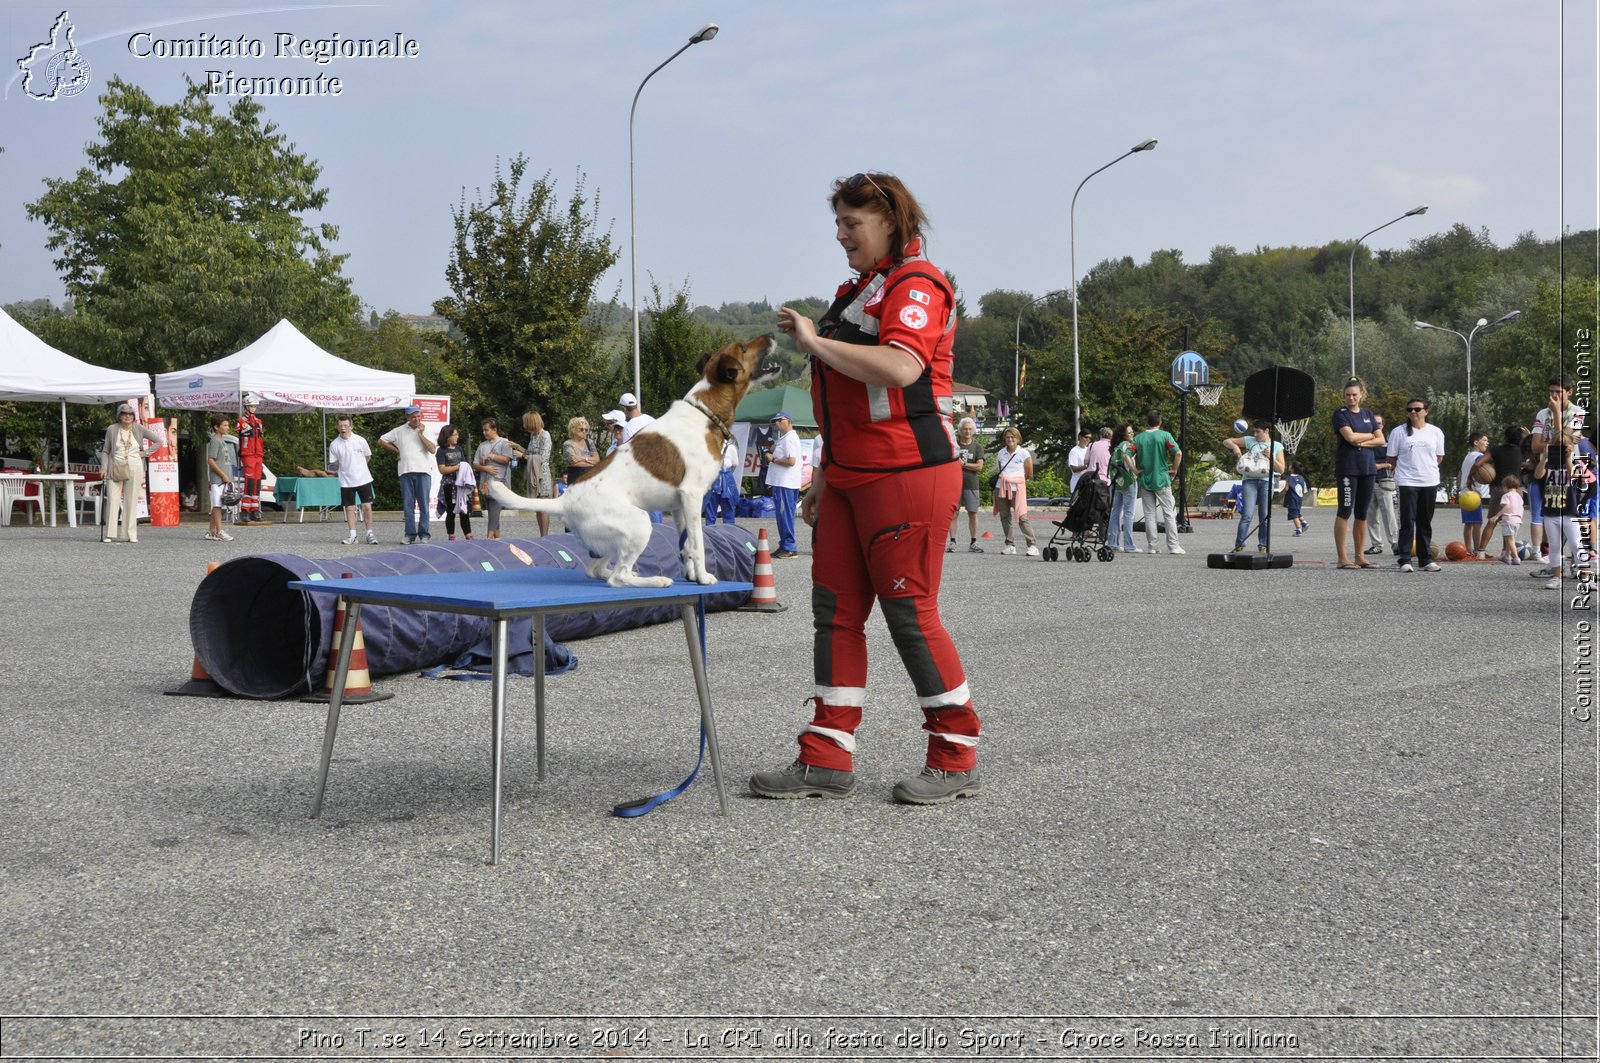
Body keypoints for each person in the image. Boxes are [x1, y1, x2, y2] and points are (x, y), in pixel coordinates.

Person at [753, 170, 980, 805]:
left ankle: (956, 752)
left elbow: (903, 367)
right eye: (839, 222)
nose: (840, 234)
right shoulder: (860, 288)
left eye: (852, 222)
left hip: (908, 472)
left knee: (910, 616)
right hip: (852, 475)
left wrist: (815, 342)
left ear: (889, 220)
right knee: (835, 617)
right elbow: (847, 398)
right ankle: (826, 753)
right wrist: (827, 473)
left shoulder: (918, 283)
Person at [1387, 397, 1446, 573]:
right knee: (1407, 520)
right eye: (1410, 409)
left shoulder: (1435, 432)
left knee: (1424, 521)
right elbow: (1391, 458)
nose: (1413, 412)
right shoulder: (1399, 432)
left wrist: (1425, 467)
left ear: (1426, 411)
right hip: (1407, 481)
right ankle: (1405, 558)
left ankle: (1425, 559)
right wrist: (1408, 469)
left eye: (1417, 409)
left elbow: (1439, 457)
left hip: (1429, 480)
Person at [1332, 378, 1385, 568]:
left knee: (1362, 513)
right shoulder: (1340, 414)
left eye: (1354, 395)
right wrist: (1370, 435)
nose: (1351, 398)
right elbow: (1350, 437)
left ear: (1361, 395)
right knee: (1345, 510)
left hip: (1368, 468)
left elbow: (1381, 440)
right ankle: (1342, 558)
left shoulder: (1368, 414)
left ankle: (1360, 556)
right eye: (1348, 395)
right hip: (1348, 469)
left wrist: (1362, 441)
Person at [99, 400, 166, 544]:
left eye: (130, 414)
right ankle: (110, 534)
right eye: (124, 414)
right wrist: (104, 467)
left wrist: (146, 453)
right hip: (115, 466)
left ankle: (129, 534)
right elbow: (106, 451)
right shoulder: (112, 429)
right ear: (119, 416)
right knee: (112, 499)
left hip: (135, 466)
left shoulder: (139, 428)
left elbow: (159, 441)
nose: (127, 417)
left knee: (131, 500)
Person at [379, 403, 438, 545]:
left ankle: (424, 534)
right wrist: (397, 451)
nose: (417, 419)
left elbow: (432, 449)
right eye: (413, 417)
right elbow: (381, 440)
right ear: (407, 417)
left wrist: (420, 434)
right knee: (408, 505)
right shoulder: (399, 430)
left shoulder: (427, 429)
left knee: (424, 504)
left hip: (423, 471)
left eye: (419, 416)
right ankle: (409, 534)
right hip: (405, 471)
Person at [1224, 421, 1285, 553]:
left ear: (1267, 431)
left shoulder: (1277, 446)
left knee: (1264, 515)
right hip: (1249, 480)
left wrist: (1271, 458)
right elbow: (1226, 441)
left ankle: (1263, 544)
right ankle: (1239, 544)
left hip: (1266, 481)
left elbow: (1281, 470)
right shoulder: (1249, 440)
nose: (1255, 434)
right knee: (1247, 514)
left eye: (1258, 432)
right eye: (1254, 431)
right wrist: (1235, 447)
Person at [1133, 409, 1184, 554]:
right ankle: (1173, 545)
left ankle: (1152, 546)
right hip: (1161, 478)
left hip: (1145, 479)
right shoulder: (1165, 436)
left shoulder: (1138, 438)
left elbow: (1127, 455)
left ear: (1147, 422)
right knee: (1169, 512)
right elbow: (1178, 453)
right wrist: (1174, 469)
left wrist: (1135, 470)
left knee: (1149, 514)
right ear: (1160, 422)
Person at [326, 415, 377, 545]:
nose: (343, 428)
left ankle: (370, 533)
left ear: (351, 426)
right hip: (346, 481)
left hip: (363, 478)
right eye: (340, 426)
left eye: (345, 425)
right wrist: (346, 466)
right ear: (337, 427)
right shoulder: (334, 444)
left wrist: (359, 466)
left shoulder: (360, 440)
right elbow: (334, 462)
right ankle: (352, 535)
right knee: (350, 508)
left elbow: (368, 456)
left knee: (367, 506)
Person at [992, 426, 1038, 556]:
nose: (1010, 439)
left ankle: (1032, 545)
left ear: (1018, 439)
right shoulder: (1001, 453)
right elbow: (1002, 469)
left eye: (1013, 437)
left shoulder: (1024, 453)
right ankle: (1010, 544)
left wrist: (1014, 480)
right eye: (1007, 437)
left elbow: (1029, 474)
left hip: (1017, 488)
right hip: (1001, 487)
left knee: (1022, 517)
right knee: (1004, 517)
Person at [473, 417, 520, 539]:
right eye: (483, 430)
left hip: (500, 483)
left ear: (495, 429)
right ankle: (497, 539)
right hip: (486, 484)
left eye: (486, 430)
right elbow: (475, 463)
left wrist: (491, 456)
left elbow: (506, 459)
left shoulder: (505, 443)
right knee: (493, 512)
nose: (484, 432)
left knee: (494, 509)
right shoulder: (482, 445)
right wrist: (485, 468)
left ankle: (488, 539)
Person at [764, 411, 803, 558]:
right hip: (783, 482)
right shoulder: (784, 438)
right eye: (775, 421)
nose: (777, 423)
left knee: (784, 515)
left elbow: (791, 461)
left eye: (780, 420)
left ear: (789, 421)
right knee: (783, 515)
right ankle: (785, 545)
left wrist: (773, 459)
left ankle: (789, 547)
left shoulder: (790, 438)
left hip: (785, 483)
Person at [948, 417, 985, 553]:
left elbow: (979, 466)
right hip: (954, 484)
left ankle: (973, 542)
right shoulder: (954, 445)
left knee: (973, 513)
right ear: (960, 430)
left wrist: (964, 464)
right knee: (953, 513)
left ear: (973, 430)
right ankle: (952, 542)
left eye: (970, 429)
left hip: (971, 484)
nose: (967, 431)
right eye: (965, 429)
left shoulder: (977, 446)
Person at [434, 424, 474, 541]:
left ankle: (468, 534)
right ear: (447, 437)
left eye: (457, 434)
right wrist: (457, 467)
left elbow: (465, 465)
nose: (457, 437)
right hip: (448, 485)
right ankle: (451, 535)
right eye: (455, 435)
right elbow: (442, 469)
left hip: (461, 485)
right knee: (451, 511)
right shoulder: (441, 451)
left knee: (464, 510)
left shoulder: (459, 449)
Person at [236, 392, 269, 526]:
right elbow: (242, 433)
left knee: (257, 484)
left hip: (258, 455)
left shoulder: (259, 422)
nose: (254, 408)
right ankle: (245, 511)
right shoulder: (241, 421)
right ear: (246, 407)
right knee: (249, 484)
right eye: (251, 406)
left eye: (255, 406)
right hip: (248, 454)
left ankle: (255, 510)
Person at [1457, 431, 1492, 558]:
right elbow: (1481, 470)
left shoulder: (1467, 456)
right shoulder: (1478, 456)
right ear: (1476, 442)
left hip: (1464, 493)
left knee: (1469, 523)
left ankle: (1468, 549)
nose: (1487, 443)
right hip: (1472, 494)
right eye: (1484, 440)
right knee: (1477, 523)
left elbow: (1460, 474)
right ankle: (1477, 550)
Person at [203, 413, 236, 543]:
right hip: (217, 479)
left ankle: (212, 531)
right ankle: (220, 531)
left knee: (217, 504)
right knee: (217, 505)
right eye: (225, 425)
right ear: (216, 427)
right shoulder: (215, 440)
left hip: (224, 479)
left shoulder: (222, 440)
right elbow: (210, 460)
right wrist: (222, 475)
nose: (227, 427)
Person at [1367, 414, 1398, 555]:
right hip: (1367, 482)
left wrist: (1379, 466)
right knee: (1371, 516)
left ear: (1383, 425)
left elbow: (1394, 462)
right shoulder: (1365, 441)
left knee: (1388, 515)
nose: (1376, 425)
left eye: (1379, 423)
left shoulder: (1388, 442)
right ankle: (1376, 545)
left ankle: (1395, 543)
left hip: (1383, 482)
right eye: (1374, 423)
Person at [521, 411, 554, 537]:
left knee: (543, 505)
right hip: (533, 473)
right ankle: (541, 534)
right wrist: (518, 447)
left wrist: (524, 456)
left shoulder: (545, 435)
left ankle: (545, 535)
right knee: (537, 506)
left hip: (542, 474)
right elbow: (530, 452)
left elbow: (543, 457)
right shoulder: (533, 436)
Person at [1107, 422, 1139, 552]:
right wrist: (1135, 470)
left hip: (1118, 482)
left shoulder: (1116, 447)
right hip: (1128, 481)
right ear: (1123, 434)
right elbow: (1127, 459)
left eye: (1132, 432)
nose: (1132, 434)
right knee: (1129, 514)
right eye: (1129, 432)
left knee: (1115, 512)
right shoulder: (1127, 446)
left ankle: (1113, 542)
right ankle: (1129, 545)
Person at [703, 434, 741, 525]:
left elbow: (734, 463)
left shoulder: (731, 447)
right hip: (711, 480)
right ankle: (711, 534)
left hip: (726, 480)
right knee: (710, 510)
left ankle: (729, 534)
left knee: (728, 507)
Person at [1486, 474, 1524, 564]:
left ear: (1506, 486)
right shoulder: (1519, 496)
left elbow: (1507, 507)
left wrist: (1497, 516)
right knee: (1509, 539)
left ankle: (1516, 557)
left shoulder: (1506, 496)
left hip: (1509, 520)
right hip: (1517, 520)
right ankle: (1507, 556)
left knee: (1510, 540)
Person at [562, 417, 598, 486]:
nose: (584, 431)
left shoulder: (589, 442)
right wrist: (591, 463)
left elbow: (597, 460)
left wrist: (582, 458)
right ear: (573, 429)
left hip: (590, 479)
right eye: (581, 429)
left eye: (586, 429)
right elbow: (573, 462)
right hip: (575, 479)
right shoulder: (568, 444)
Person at [1284, 461, 1309, 535]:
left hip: (1292, 498)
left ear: (1292, 468)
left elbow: (1286, 488)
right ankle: (1304, 523)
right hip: (1299, 498)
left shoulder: (1289, 477)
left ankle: (1298, 530)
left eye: (1290, 465)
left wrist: (1282, 492)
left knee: (1294, 515)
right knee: (1296, 512)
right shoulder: (1301, 477)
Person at [1067, 429, 1093, 495]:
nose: (1088, 439)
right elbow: (1074, 469)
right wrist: (1086, 466)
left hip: (1087, 483)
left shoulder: (1088, 449)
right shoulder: (1074, 451)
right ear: (1080, 437)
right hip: (1077, 484)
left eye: (1090, 438)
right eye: (1086, 437)